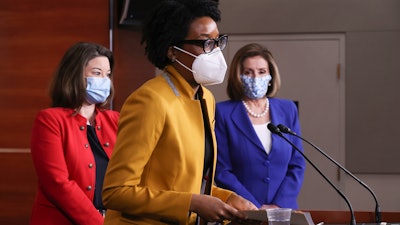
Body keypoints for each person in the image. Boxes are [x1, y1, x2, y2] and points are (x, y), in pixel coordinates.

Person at [101, 0, 258, 224]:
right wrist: (192, 203)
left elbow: (189, 185)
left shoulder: (206, 98)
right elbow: (116, 192)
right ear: (172, 51)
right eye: (205, 44)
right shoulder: (150, 100)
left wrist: (229, 197)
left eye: (218, 41)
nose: (214, 51)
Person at [29, 42, 119, 225]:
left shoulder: (115, 120)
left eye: (107, 75)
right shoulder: (50, 120)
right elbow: (57, 183)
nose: (104, 80)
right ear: (75, 74)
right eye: (97, 73)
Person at [214, 43, 306, 210]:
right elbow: (222, 170)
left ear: (271, 75)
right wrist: (255, 208)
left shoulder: (288, 109)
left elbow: (297, 163)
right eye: (248, 72)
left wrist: (279, 205)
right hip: (241, 212)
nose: (256, 77)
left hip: (284, 213)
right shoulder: (222, 112)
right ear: (238, 76)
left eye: (261, 72)